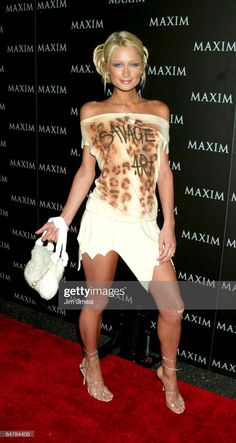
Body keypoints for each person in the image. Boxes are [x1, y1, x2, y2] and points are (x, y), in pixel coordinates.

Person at [36, 30, 185, 413]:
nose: (126, 71)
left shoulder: (158, 111)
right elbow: (86, 173)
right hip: (102, 217)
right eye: (118, 64)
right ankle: (90, 361)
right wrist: (63, 220)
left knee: (173, 307)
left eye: (133, 63)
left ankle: (168, 373)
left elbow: (164, 172)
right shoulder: (92, 112)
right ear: (106, 67)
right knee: (96, 301)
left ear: (143, 67)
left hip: (143, 223)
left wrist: (168, 224)